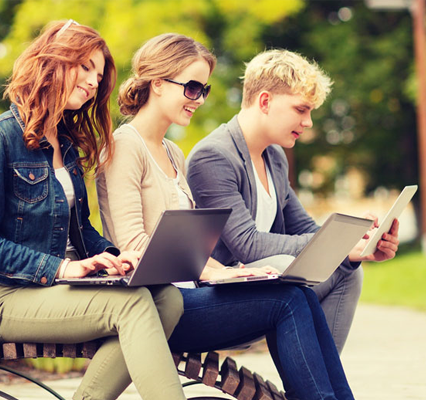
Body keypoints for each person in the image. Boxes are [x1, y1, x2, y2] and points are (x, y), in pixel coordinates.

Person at [98, 33, 355, 400]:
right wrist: (215, 272)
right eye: (191, 88)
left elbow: (186, 247)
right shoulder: (125, 145)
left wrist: (230, 274)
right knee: (288, 299)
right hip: (157, 307)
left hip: (190, 296)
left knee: (296, 293)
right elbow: (134, 245)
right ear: (157, 84)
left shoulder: (172, 152)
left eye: (203, 90)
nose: (198, 100)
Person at [0, 20, 186, 400]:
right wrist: (63, 268)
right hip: (12, 294)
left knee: (168, 298)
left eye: (98, 76)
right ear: (51, 61)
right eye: (85, 67)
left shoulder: (66, 143)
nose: (93, 81)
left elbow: (79, 230)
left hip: (69, 284)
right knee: (131, 305)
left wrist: (115, 257)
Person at [186, 49, 400, 353]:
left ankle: (319, 387)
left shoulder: (274, 157)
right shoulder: (214, 156)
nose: (309, 122)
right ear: (265, 102)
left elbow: (304, 228)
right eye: (301, 110)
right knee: (288, 267)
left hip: (263, 284)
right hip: (219, 297)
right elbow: (248, 245)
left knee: (347, 273)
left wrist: (356, 242)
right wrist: (334, 245)